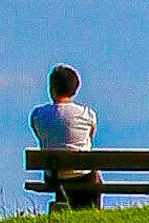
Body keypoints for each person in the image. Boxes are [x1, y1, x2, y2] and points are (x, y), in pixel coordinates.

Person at [31, 62, 101, 211]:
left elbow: (40, 137)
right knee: (92, 175)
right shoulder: (87, 114)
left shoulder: (38, 115)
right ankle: (91, 212)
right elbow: (90, 137)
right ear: (75, 89)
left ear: (51, 89)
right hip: (83, 176)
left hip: (54, 177)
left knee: (62, 171)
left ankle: (63, 206)